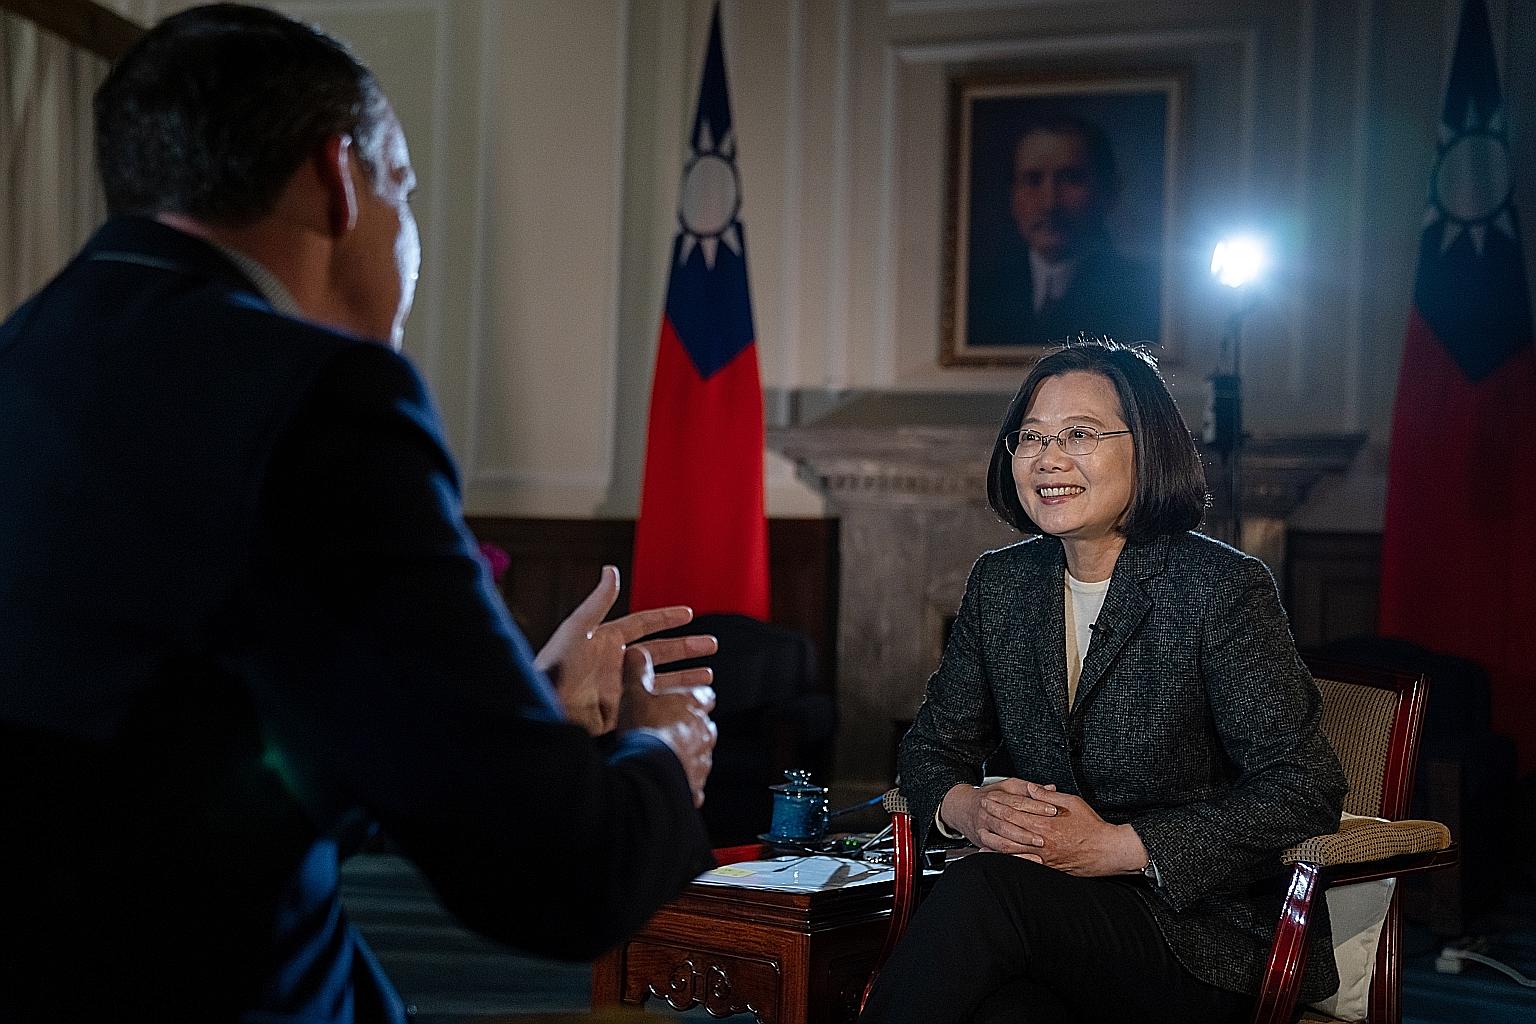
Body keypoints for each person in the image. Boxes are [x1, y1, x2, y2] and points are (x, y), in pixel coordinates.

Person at [0, 5, 719, 1022]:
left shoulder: (24, 355)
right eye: (407, 192)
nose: (408, 232)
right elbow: (559, 877)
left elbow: (172, 764)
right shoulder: (325, 398)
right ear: (342, 176)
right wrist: (660, 750)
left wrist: (509, 712)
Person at [860, 340, 1347, 1023]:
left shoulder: (1220, 588)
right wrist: (968, 807)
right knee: (1006, 1014)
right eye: (1030, 438)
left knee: (980, 896)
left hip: (1199, 933)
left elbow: (1303, 789)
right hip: (1054, 919)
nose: (1048, 458)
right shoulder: (1002, 584)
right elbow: (931, 749)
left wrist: (1118, 848)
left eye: (1079, 434)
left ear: (1146, 449)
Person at [966, 117, 1160, 348]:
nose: (1050, 203)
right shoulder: (983, 294)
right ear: (1013, 196)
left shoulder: (1142, 292)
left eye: (1071, 179)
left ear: (1107, 192)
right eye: (1032, 180)